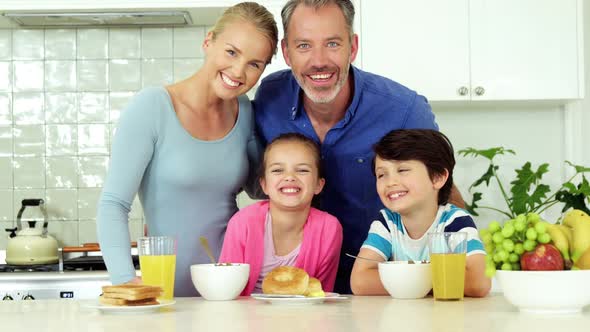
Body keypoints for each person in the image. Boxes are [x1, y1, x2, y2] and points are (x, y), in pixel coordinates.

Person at [253, 0, 464, 294]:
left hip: (382, 281)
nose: (319, 61)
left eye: (332, 43)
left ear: (352, 47)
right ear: (286, 52)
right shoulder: (268, 99)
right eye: (303, 46)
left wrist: (461, 266)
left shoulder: (403, 110)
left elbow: (441, 191)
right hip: (295, 285)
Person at [96, 2, 279, 297]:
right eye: (231, 52)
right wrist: (124, 281)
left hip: (234, 290)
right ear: (209, 41)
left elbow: (260, 189)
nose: (238, 71)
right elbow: (113, 205)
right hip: (169, 292)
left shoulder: (244, 110)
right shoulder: (153, 107)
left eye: (254, 64)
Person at [350, 129, 490, 297]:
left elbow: (478, 282)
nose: (390, 182)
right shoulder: (387, 223)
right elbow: (359, 282)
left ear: (438, 177)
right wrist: (440, 279)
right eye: (381, 174)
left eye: (402, 170)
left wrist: (408, 280)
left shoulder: (454, 222)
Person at [219, 133, 343, 295]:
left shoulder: (329, 229)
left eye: (302, 170)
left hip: (304, 318)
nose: (290, 177)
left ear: (319, 185)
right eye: (278, 170)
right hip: (244, 317)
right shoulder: (243, 223)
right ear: (264, 185)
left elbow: (320, 294)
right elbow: (226, 288)